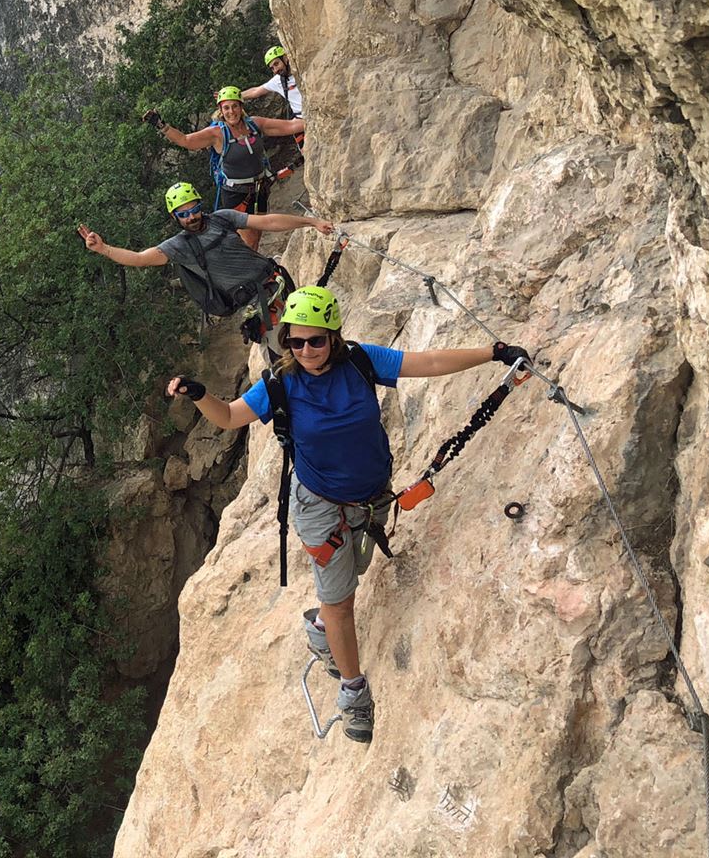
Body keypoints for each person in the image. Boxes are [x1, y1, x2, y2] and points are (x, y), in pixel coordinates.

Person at [163, 285, 530, 744]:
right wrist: (200, 395)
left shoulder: (361, 361)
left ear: (333, 337)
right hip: (320, 506)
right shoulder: (281, 383)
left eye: (316, 340)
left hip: (371, 495)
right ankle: (353, 693)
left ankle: (319, 626)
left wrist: (493, 352)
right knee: (340, 600)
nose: (306, 350)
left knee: (354, 570)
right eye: (295, 341)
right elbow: (231, 417)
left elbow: (428, 363)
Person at [78, 182, 333, 342]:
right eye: (184, 214)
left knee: (316, 333)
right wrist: (104, 249)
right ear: (175, 217)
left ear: (201, 205)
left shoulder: (222, 218)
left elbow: (267, 222)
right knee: (290, 347)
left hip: (277, 282)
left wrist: (310, 222)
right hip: (258, 303)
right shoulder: (179, 246)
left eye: (194, 209)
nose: (191, 217)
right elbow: (140, 259)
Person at [142, 86, 304, 250]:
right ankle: (250, 271)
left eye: (235, 106)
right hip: (237, 194)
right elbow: (186, 141)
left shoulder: (254, 124)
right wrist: (162, 125)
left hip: (260, 188)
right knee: (248, 241)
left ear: (241, 107)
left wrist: (319, 118)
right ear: (220, 110)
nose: (231, 111)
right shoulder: (217, 133)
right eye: (226, 107)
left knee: (257, 235)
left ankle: (254, 268)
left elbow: (289, 126)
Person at [243, 44, 303, 119]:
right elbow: (255, 91)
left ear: (285, 58)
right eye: (272, 68)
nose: (276, 70)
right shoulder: (278, 80)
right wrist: (236, 96)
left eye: (276, 64)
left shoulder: (303, 71)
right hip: (300, 118)